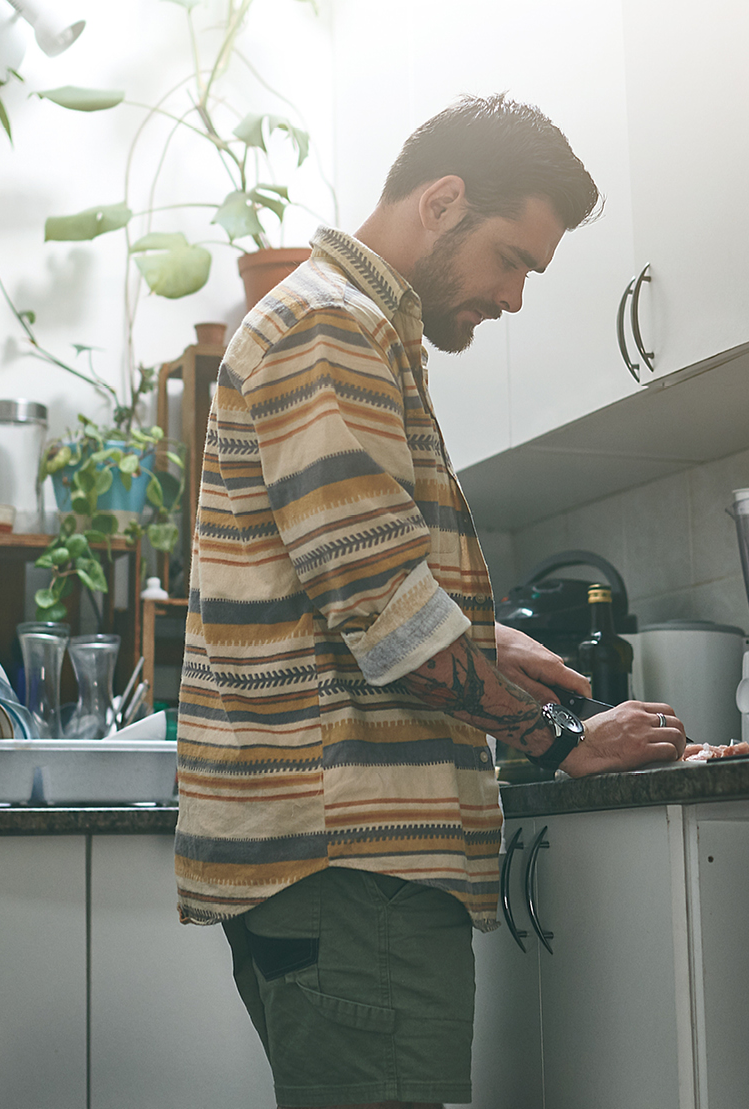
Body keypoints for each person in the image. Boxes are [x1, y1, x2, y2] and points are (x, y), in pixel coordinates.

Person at [175, 95, 688, 1109]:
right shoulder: (330, 326)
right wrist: (560, 735)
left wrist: (485, 634)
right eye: (510, 259)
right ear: (443, 200)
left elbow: (337, 578)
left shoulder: (344, 326)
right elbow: (381, 619)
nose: (513, 295)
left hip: (334, 868)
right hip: (356, 862)